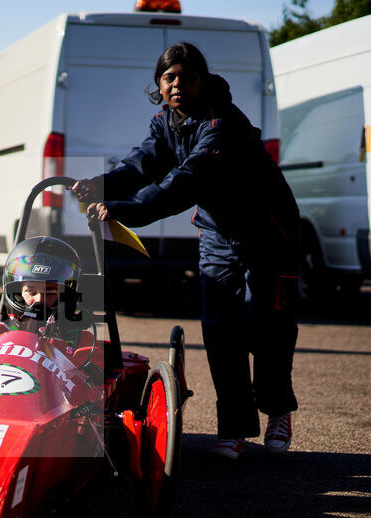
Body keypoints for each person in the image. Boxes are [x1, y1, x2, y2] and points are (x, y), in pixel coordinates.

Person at [71, 42, 300, 460]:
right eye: (169, 78)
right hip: (217, 238)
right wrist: (101, 186)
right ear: (158, 85)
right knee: (221, 333)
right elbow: (140, 164)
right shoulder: (164, 121)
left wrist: (123, 210)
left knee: (266, 326)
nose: (177, 85)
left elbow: (185, 181)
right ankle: (233, 430)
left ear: (202, 81)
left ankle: (278, 409)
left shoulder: (223, 122)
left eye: (187, 77)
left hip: (269, 238)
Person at [0, 237, 104, 374]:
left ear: (66, 296)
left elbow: (90, 386)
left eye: (50, 293)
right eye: (31, 292)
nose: (39, 300)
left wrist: (53, 346)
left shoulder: (81, 340)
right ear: (17, 294)